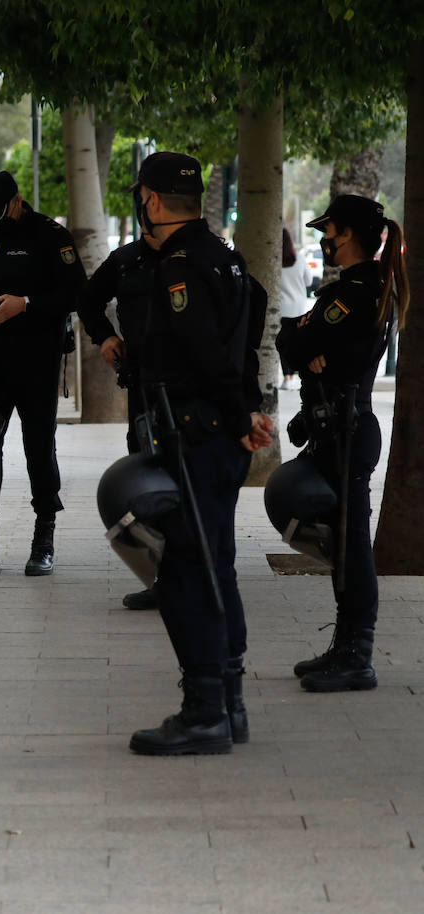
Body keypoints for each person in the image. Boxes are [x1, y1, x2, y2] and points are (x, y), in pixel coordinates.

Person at [125, 151, 272, 756]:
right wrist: (249, 407)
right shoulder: (229, 259)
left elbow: (204, 351)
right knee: (217, 563)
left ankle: (205, 709)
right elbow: (256, 312)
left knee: (188, 570)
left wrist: (238, 414)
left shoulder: (179, 266)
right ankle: (228, 701)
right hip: (218, 432)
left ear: (152, 202)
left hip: (195, 434)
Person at [277, 195, 409, 692]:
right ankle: (345, 645)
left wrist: (306, 341)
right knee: (344, 540)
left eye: (328, 231)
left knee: (353, 546)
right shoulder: (359, 286)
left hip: (348, 429)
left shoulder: (355, 291)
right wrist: (305, 344)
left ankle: (358, 656)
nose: (323, 240)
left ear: (348, 233)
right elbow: (297, 346)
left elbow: (293, 344)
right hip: (339, 426)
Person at [0, 170, 86, 576]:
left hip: (38, 358)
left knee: (38, 447)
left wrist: (25, 304)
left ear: (17, 199)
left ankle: (44, 533)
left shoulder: (49, 234)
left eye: (1, 210)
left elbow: (76, 291)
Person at [77, 230, 163, 609]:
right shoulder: (128, 259)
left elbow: (253, 303)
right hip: (145, 383)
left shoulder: (206, 254)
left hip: (199, 391)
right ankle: (162, 577)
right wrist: (106, 337)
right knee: (147, 474)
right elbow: (88, 300)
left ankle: (207, 576)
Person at [278, 228, 314, 390]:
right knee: (296, 342)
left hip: (281, 308)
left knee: (283, 343)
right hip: (299, 307)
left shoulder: (274, 260)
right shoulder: (299, 258)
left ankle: (287, 377)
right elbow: (308, 280)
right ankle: (294, 375)